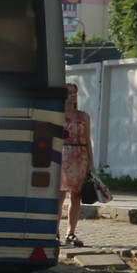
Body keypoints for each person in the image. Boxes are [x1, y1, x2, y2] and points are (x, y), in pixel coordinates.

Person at [59, 82, 93, 247]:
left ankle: (70, 233)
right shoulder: (57, 115)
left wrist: (91, 163)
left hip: (80, 156)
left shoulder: (83, 116)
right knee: (59, 197)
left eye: (74, 93)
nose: (73, 95)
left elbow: (88, 141)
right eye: (69, 93)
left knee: (76, 197)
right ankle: (54, 232)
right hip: (63, 157)